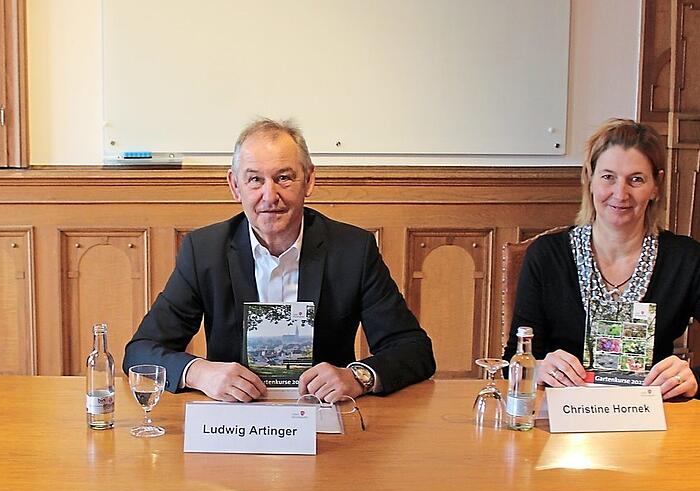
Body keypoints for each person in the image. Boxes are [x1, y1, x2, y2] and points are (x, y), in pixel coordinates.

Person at [124, 119, 435, 402]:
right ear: (235, 186)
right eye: (255, 180)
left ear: (309, 181)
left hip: (324, 419)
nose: (269, 196)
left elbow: (413, 349)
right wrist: (200, 372)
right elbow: (141, 351)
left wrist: (357, 377)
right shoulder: (203, 250)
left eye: (283, 178)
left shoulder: (353, 250)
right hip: (234, 419)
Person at [503, 118, 700, 399]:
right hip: (564, 417)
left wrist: (692, 377)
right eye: (608, 176)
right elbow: (513, 360)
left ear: (656, 186)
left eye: (636, 179)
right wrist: (538, 367)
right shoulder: (547, 256)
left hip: (652, 418)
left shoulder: (686, 259)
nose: (620, 194)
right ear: (590, 179)